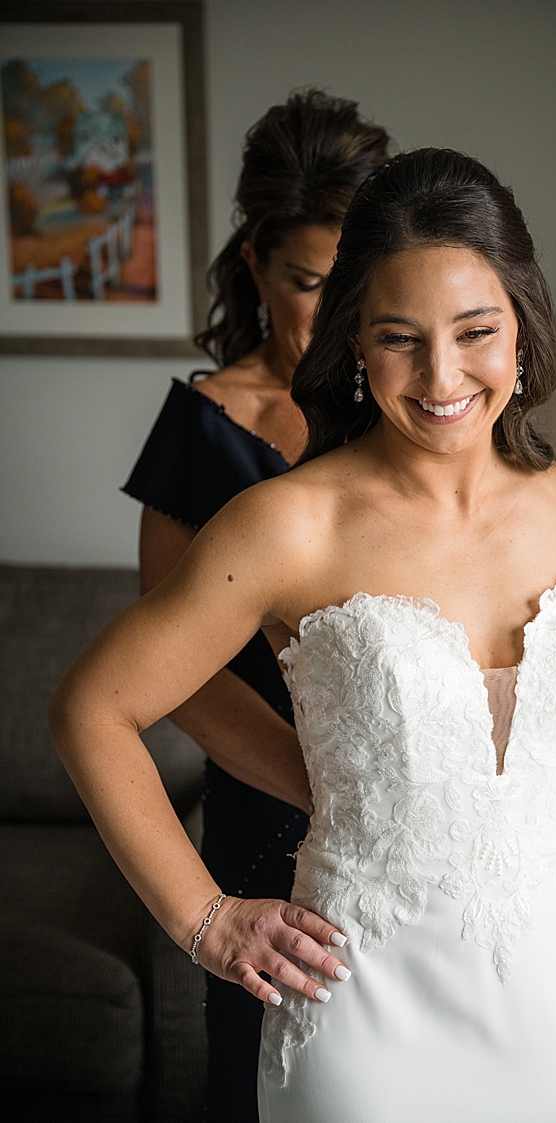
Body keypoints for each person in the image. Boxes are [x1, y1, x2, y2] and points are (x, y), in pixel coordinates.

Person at [53, 147, 556, 1121]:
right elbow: (93, 708)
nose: (442, 375)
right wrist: (207, 921)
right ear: (355, 338)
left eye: (475, 331)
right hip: (366, 1017)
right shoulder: (287, 524)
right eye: (401, 338)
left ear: (523, 326)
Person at [120, 88, 389, 1120]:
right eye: (310, 283)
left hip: (405, 793)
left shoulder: (409, 404)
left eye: (355, 283)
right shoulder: (200, 430)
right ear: (257, 268)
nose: (338, 317)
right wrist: (318, 785)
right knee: (267, 1065)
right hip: (267, 803)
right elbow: (170, 678)